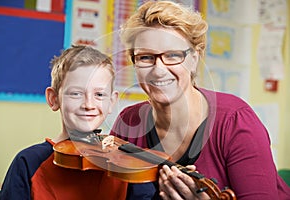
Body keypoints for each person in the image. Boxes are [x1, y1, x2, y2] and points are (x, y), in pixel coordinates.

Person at [110, 1, 290, 199]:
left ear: (194, 59)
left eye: (173, 55)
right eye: (145, 57)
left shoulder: (236, 122)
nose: (158, 69)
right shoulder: (128, 122)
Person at [0, 45, 128, 200]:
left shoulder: (128, 165)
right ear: (54, 99)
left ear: (112, 102)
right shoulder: (28, 162)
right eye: (76, 93)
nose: (88, 104)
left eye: (99, 94)